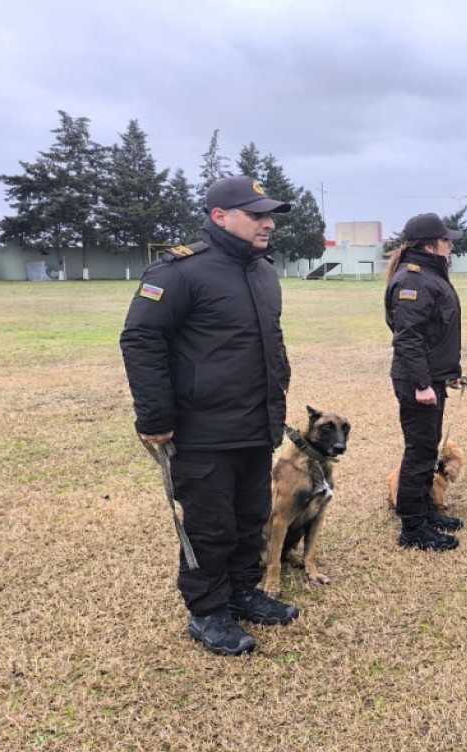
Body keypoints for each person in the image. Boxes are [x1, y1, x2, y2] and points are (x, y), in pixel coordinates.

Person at [120, 175, 296, 657]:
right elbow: (141, 339)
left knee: (250, 515)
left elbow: (271, 340)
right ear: (220, 216)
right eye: (256, 214)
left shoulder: (262, 271)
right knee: (210, 523)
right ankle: (207, 611)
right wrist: (155, 417)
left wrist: (278, 392)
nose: (267, 223)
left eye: (269, 215)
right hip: (202, 429)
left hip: (255, 423)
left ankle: (242, 590)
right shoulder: (178, 272)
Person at [384, 212, 464, 552]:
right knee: (418, 453)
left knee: (427, 448)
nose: (451, 246)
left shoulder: (430, 275)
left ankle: (426, 509)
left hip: (433, 377)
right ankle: (413, 525)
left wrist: (446, 374)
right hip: (419, 381)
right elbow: (408, 338)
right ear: (432, 245)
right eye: (447, 240)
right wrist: (421, 384)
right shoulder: (414, 280)